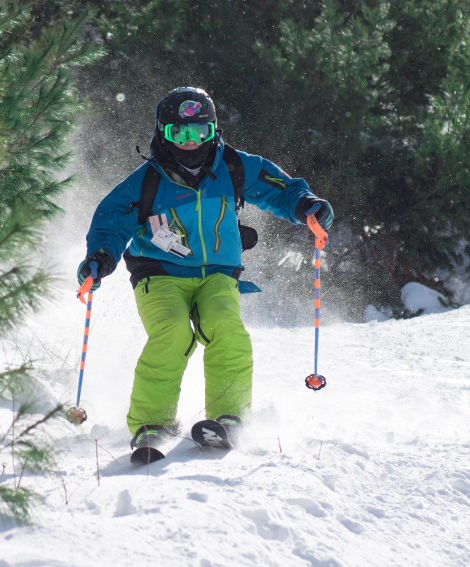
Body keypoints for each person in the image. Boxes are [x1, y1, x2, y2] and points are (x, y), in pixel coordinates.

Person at [77, 86, 334, 451]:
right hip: (160, 273)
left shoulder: (232, 166)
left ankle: (229, 417)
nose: (189, 143)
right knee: (172, 333)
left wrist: (306, 206)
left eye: (199, 133)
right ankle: (152, 423)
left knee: (226, 328)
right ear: (162, 133)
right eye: (178, 134)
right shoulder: (147, 182)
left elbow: (279, 188)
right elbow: (110, 224)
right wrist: (99, 258)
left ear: (213, 131)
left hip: (217, 272)